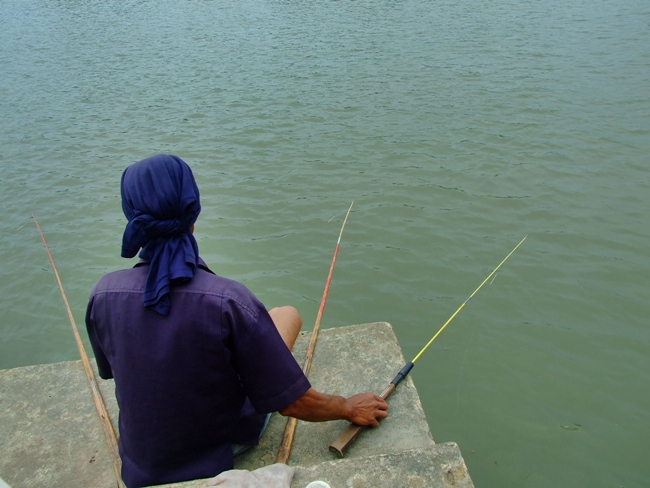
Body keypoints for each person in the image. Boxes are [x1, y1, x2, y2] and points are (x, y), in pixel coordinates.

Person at [85, 154, 388, 488]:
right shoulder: (228, 302)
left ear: (132, 216)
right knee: (288, 315)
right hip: (213, 453)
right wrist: (346, 407)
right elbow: (293, 403)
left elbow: (116, 369)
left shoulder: (102, 295)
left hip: (140, 465)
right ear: (193, 211)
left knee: (270, 323)